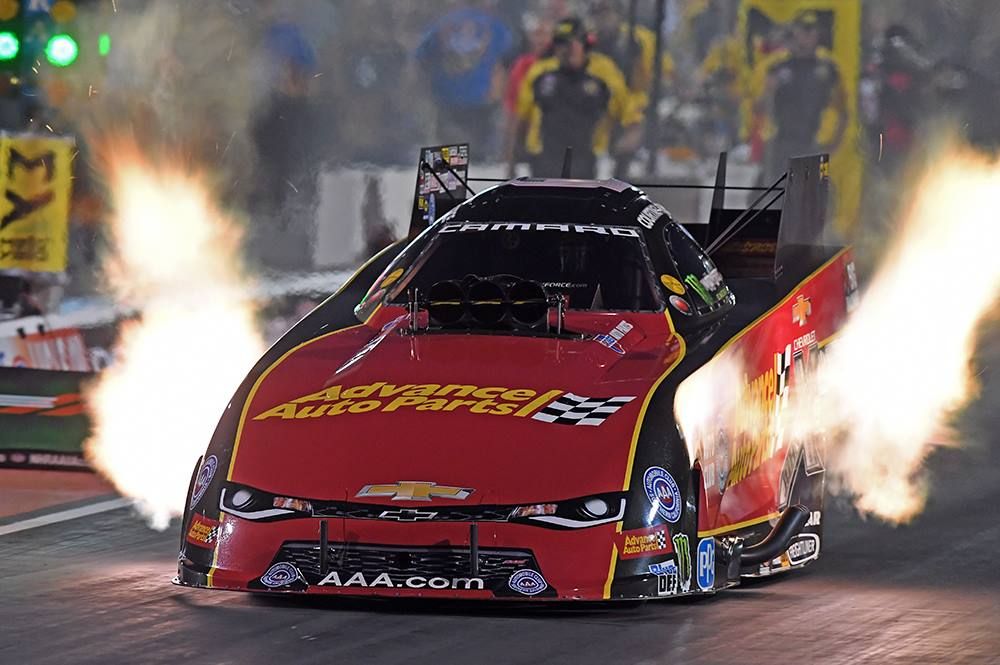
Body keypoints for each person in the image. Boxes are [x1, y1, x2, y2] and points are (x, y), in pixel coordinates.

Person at [507, 17, 641, 179]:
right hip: (543, 159)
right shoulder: (540, 72)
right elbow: (520, 119)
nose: (566, 49)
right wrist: (512, 163)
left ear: (585, 44)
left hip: (589, 161)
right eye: (560, 43)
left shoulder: (604, 72)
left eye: (572, 43)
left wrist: (622, 153)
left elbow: (630, 116)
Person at [756, 10, 847, 181]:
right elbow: (759, 107)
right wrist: (769, 90)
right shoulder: (777, 67)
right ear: (795, 32)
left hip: (813, 144)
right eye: (803, 30)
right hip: (782, 144)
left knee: (816, 193)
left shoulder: (828, 70)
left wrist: (833, 144)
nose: (807, 36)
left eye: (811, 30)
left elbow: (843, 111)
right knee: (777, 191)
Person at [415, 3, 513, 157]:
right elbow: (509, 61)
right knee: (479, 158)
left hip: (449, 100)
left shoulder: (442, 24)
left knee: (447, 160)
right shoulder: (495, 26)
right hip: (481, 102)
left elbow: (421, 57)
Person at [588, 0, 674, 113]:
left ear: (619, 14)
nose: (602, 19)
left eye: (607, 12)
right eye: (597, 13)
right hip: (607, 111)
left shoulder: (642, 38)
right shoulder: (587, 47)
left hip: (646, 107)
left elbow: (667, 75)